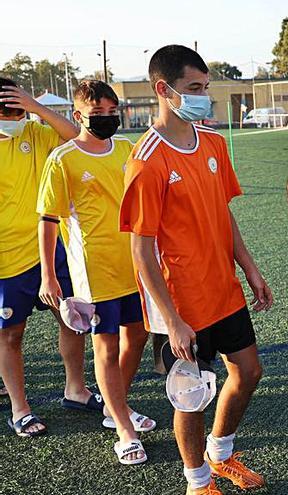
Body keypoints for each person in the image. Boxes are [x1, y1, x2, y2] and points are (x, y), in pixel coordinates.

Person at [120, 45, 274, 495]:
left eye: (205, 87)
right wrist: (171, 321)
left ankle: (221, 455)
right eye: (193, 88)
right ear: (163, 90)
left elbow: (222, 212)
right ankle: (197, 482)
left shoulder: (213, 142)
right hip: (180, 304)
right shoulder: (146, 160)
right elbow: (142, 250)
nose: (203, 96)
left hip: (222, 290)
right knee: (191, 397)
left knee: (248, 372)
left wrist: (249, 268)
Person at [36, 80, 155, 464]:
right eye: (97, 113)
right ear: (78, 116)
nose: (106, 119)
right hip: (94, 272)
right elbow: (48, 220)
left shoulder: (126, 149)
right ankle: (123, 428)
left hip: (134, 266)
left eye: (111, 112)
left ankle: (114, 405)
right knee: (105, 347)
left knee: (135, 337)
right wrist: (48, 276)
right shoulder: (63, 159)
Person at [0, 77, 100, 438]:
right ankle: (20, 409)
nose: (13, 116)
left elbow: (77, 138)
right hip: (7, 260)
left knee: (71, 317)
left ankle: (76, 389)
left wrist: (36, 108)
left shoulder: (34, 132)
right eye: (6, 110)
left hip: (52, 249)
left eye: (16, 108)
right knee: (11, 336)